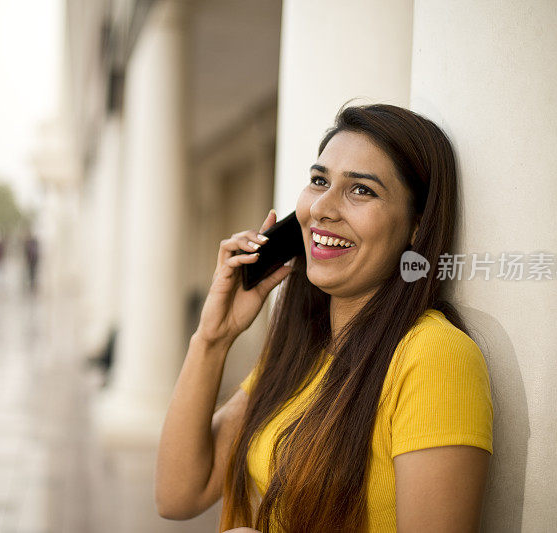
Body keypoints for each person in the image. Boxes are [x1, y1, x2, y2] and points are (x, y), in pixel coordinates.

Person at [156, 103, 494, 532]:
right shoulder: (306, 351)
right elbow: (178, 493)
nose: (322, 208)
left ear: (416, 226)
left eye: (362, 191)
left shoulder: (434, 357)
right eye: (319, 181)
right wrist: (212, 339)